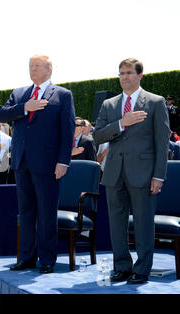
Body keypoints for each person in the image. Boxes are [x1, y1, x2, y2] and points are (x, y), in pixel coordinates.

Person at [93, 58, 170, 284]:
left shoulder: (156, 102)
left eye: (128, 73)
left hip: (144, 174)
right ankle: (122, 267)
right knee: (116, 223)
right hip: (114, 172)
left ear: (140, 76)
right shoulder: (109, 104)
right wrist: (121, 123)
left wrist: (158, 175)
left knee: (143, 222)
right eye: (121, 73)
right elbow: (98, 136)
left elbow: (161, 142)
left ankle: (142, 269)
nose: (124, 77)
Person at [0, 54, 75, 274]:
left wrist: (63, 161)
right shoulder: (20, 94)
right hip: (22, 163)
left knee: (47, 213)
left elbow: (67, 130)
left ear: (49, 70)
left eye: (37, 66)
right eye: (30, 66)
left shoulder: (62, 95)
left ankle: (48, 259)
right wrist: (25, 107)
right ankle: (27, 258)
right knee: (26, 212)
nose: (32, 69)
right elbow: (2, 115)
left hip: (49, 164)